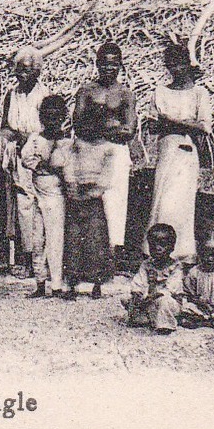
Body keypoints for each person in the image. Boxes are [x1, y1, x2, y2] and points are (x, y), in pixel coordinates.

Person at [74, 41, 137, 270]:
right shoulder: (87, 91)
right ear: (97, 64)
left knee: (116, 203)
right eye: (104, 64)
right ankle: (88, 259)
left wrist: (98, 126)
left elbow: (129, 130)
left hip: (116, 153)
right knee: (90, 200)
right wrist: (110, 127)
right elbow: (79, 125)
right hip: (90, 151)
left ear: (120, 65)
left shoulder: (125, 94)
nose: (109, 68)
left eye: (114, 64)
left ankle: (111, 257)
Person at [148, 40, 213, 261]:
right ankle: (156, 253)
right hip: (166, 152)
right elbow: (153, 125)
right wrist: (180, 123)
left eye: (179, 64)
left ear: (187, 64)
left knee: (182, 203)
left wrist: (174, 121)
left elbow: (204, 126)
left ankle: (182, 253)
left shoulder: (199, 94)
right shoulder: (160, 92)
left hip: (186, 153)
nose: (176, 69)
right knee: (162, 201)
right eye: (171, 64)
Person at [1, 46, 49, 278]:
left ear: (37, 72)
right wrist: (12, 139)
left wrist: (30, 142)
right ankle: (25, 256)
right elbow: (5, 126)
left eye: (28, 71)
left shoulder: (44, 95)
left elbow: (50, 127)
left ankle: (38, 260)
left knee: (36, 204)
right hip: (16, 154)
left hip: (37, 154)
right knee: (21, 206)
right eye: (19, 70)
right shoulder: (12, 94)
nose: (22, 75)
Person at [60, 109, 114, 299]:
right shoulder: (77, 145)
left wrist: (94, 191)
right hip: (76, 196)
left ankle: (97, 283)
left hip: (93, 199)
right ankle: (72, 283)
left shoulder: (107, 148)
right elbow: (69, 166)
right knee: (74, 240)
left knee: (95, 241)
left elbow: (107, 175)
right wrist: (73, 187)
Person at [21, 94, 70, 298]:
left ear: (63, 117)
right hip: (37, 195)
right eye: (47, 117)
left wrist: (51, 167)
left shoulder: (66, 142)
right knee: (37, 239)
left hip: (56, 196)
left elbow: (66, 167)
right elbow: (26, 158)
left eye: (56, 117)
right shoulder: (35, 139)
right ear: (41, 117)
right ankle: (40, 282)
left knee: (55, 240)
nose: (51, 121)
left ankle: (57, 284)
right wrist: (41, 165)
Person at [126, 223, 185, 333]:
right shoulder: (146, 264)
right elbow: (140, 281)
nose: (158, 248)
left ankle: (164, 325)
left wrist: (155, 295)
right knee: (127, 299)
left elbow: (172, 288)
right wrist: (138, 293)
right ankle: (148, 317)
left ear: (172, 247)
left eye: (162, 245)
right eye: (153, 245)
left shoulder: (176, 266)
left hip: (166, 299)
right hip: (149, 299)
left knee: (164, 302)